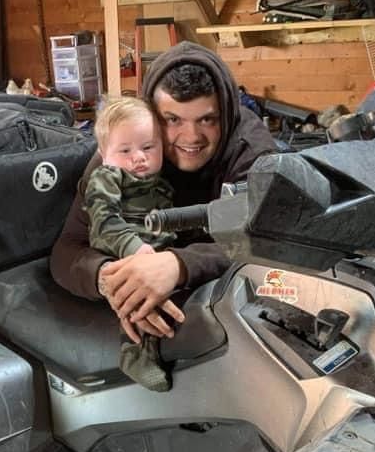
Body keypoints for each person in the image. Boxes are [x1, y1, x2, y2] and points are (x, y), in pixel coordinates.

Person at [50, 40, 276, 345]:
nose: (191, 137)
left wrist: (178, 265)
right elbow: (68, 248)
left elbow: (269, 240)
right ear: (150, 115)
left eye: (206, 119)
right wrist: (114, 283)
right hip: (140, 282)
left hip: (221, 299)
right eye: (172, 120)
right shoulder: (124, 152)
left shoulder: (253, 153)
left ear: (225, 112)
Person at [84, 96, 176, 391]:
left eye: (148, 147)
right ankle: (134, 351)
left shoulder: (161, 182)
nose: (139, 157)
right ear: (104, 153)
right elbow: (103, 220)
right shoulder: (106, 176)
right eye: (125, 150)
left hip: (155, 247)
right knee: (138, 291)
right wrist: (133, 247)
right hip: (115, 243)